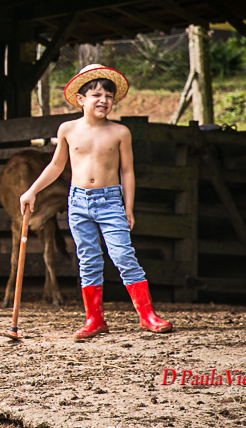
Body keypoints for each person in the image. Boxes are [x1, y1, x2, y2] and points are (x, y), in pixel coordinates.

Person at [20, 64, 172, 340]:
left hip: (110, 201)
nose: (104, 100)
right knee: (88, 260)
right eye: (96, 94)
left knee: (123, 255)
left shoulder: (119, 133)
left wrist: (128, 207)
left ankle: (147, 315)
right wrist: (32, 191)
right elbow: (56, 166)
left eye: (109, 96)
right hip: (78, 203)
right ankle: (94, 319)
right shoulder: (67, 129)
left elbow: (127, 171)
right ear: (81, 99)